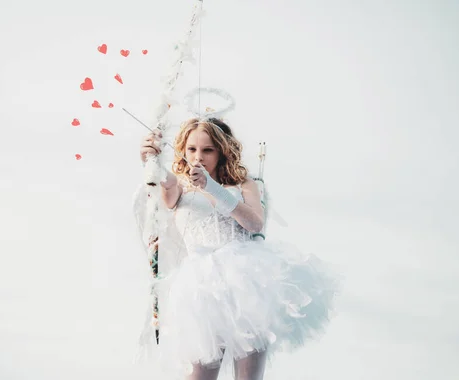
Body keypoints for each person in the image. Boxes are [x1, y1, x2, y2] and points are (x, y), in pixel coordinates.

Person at [133, 117, 340, 380]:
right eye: (192, 149)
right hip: (199, 290)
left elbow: (255, 223)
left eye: (208, 150)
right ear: (183, 151)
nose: (199, 156)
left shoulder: (245, 185)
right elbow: (165, 182)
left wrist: (212, 187)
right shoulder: (179, 186)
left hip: (247, 282)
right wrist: (152, 161)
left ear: (222, 151)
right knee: (199, 374)